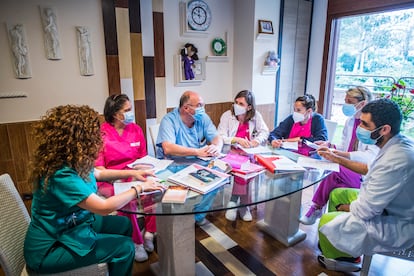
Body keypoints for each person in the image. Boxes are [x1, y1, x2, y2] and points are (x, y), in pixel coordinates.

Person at [24, 105, 164, 275]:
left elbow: (98, 173)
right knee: (125, 248)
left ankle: (113, 268)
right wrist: (139, 188)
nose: (98, 137)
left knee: (124, 224)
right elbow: (103, 208)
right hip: (51, 248)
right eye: (94, 134)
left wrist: (134, 172)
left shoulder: (73, 160)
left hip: (74, 225)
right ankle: (116, 261)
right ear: (79, 139)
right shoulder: (60, 174)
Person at [316, 99, 414, 272]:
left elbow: (365, 211)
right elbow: (371, 170)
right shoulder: (394, 143)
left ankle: (340, 262)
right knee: (338, 193)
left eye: (364, 124)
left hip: (397, 221)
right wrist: (336, 156)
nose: (359, 127)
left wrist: (345, 208)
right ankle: (342, 251)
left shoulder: (396, 159)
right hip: (386, 206)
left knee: (326, 221)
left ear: (384, 129)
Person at [300, 86, 379, 225]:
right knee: (337, 186)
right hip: (347, 172)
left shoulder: (371, 126)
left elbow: (369, 157)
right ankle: (332, 225)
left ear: (363, 103)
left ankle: (317, 207)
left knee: (334, 171)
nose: (346, 105)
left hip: (361, 174)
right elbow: (344, 146)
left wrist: (339, 155)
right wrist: (329, 145)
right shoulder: (350, 121)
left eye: (350, 101)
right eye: (345, 100)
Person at [95, 94, 155, 262]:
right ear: (115, 113)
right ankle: (136, 242)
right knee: (127, 200)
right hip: (109, 179)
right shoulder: (101, 134)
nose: (131, 113)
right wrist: (121, 178)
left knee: (153, 189)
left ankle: (149, 232)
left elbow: (143, 158)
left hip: (134, 174)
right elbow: (99, 168)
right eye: (127, 110)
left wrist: (144, 170)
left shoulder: (135, 129)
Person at [156, 90, 223, 225]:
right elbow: (168, 148)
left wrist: (217, 147)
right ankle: (177, 220)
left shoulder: (202, 118)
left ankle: (196, 216)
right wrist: (197, 152)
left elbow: (216, 137)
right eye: (199, 105)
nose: (202, 108)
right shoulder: (169, 120)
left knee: (218, 177)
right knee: (171, 189)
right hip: (173, 165)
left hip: (197, 163)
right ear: (186, 108)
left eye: (202, 105)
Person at [217, 90, 269, 221]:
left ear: (249, 107)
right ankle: (243, 204)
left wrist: (255, 141)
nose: (237, 105)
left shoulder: (256, 116)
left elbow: (264, 131)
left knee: (249, 165)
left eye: (241, 103)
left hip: (249, 152)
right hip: (231, 151)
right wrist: (236, 140)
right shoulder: (227, 115)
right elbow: (220, 136)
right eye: (236, 102)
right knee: (243, 167)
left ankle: (235, 201)